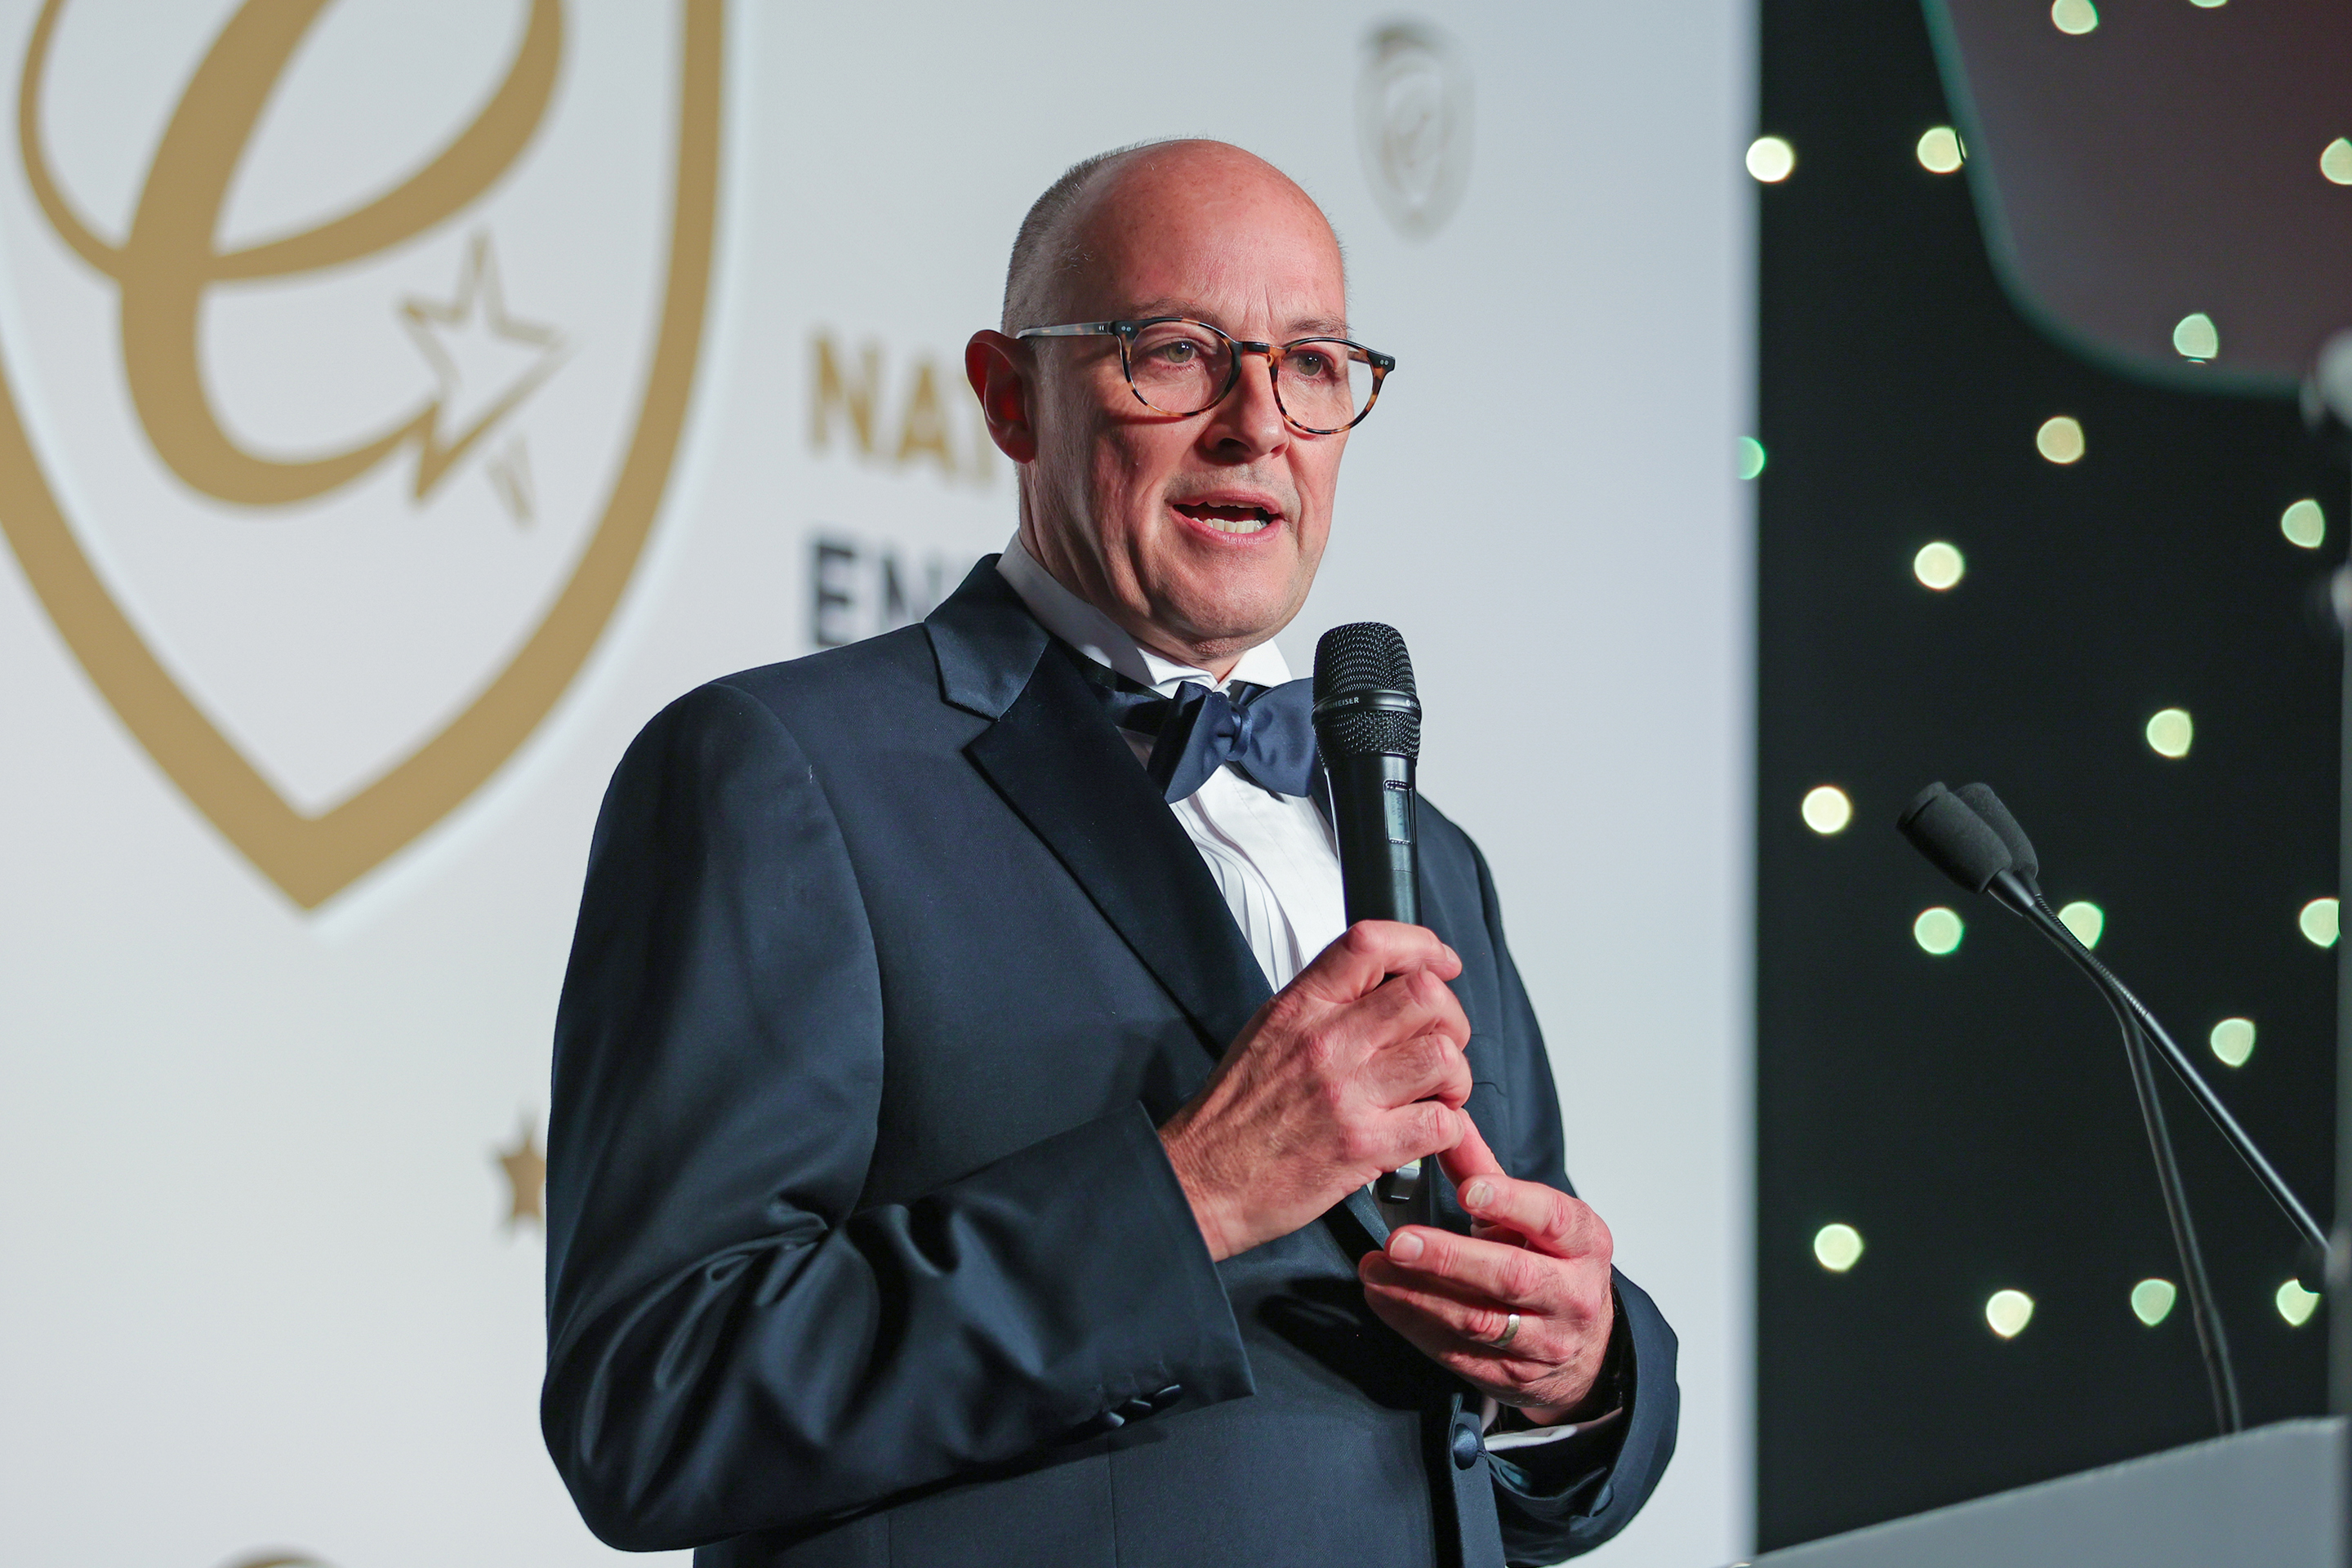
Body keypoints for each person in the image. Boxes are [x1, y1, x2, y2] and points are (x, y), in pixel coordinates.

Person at [542, 139, 1677, 1568]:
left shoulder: (1432, 857)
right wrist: (1195, 1192)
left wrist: (1583, 1371)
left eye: (1312, 365)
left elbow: (1478, 1426)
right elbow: (656, 1404)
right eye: (1175, 353)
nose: (1256, 425)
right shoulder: (781, 774)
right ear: (1011, 398)